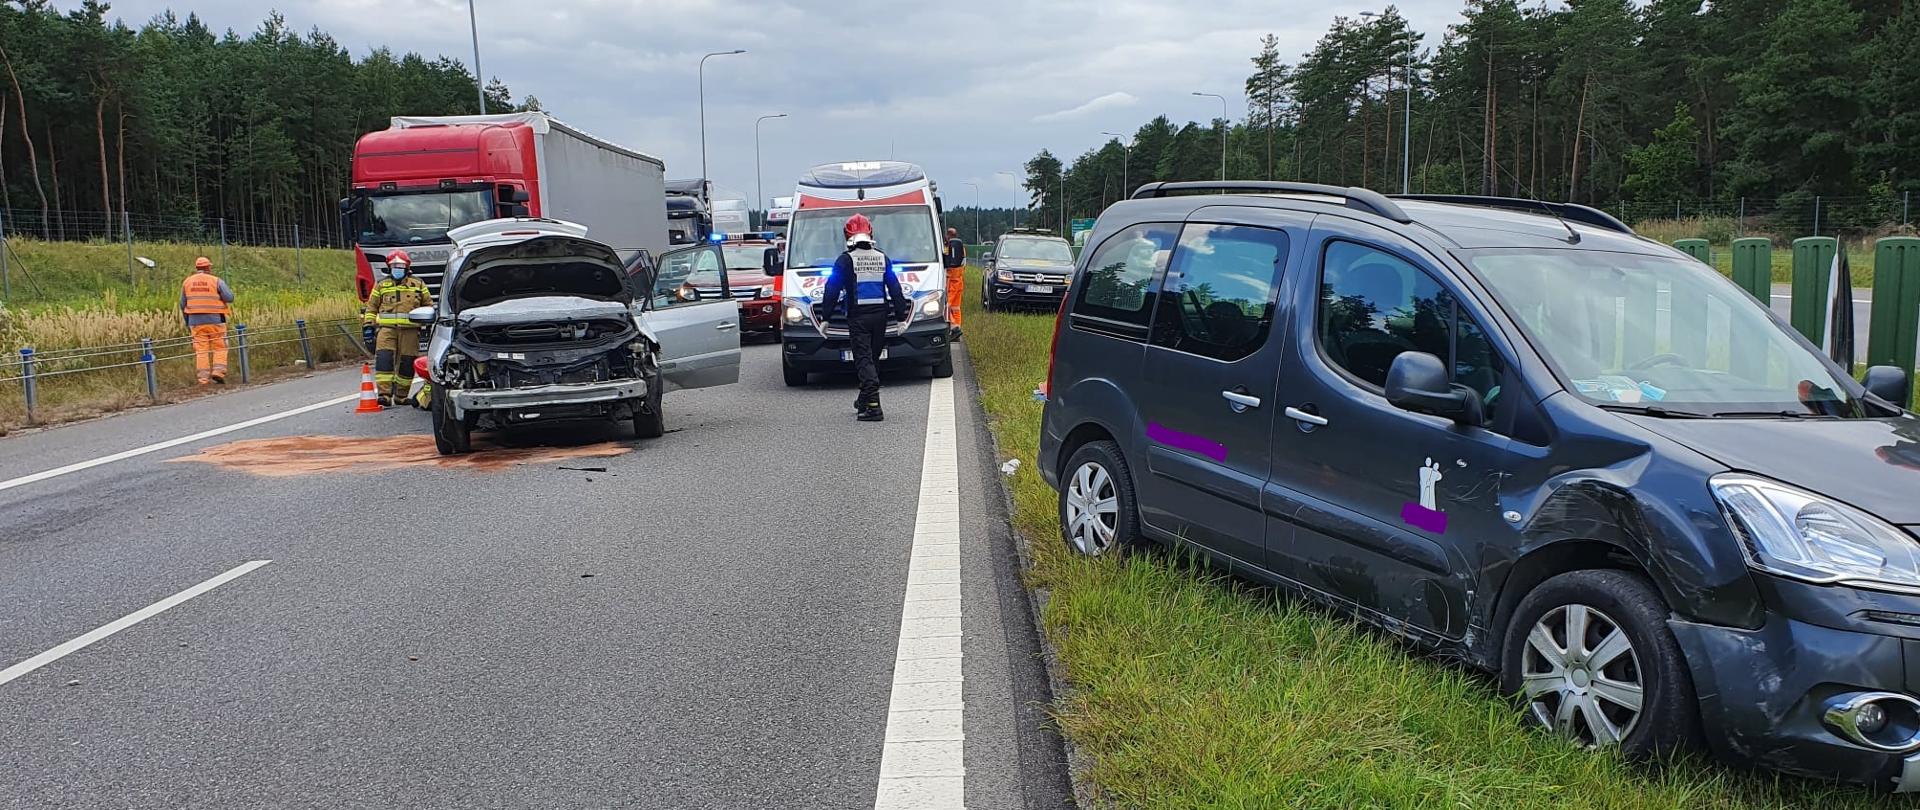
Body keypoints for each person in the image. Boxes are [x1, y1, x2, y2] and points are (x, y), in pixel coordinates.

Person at [819, 214, 909, 422]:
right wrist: (902, 317)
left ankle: (874, 407)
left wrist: (826, 317)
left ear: (847, 235)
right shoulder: (882, 257)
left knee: (863, 359)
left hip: (858, 317)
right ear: (870, 234)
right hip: (881, 316)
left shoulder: (845, 260)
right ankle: (864, 399)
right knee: (872, 359)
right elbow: (895, 288)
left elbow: (831, 289)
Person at [361, 249, 434, 405]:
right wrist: (368, 326)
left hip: (410, 331)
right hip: (386, 330)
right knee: (384, 360)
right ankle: (384, 395)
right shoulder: (381, 285)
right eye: (394, 266)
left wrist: (428, 324)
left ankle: (401, 396)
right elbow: (371, 308)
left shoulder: (418, 284)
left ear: (407, 268)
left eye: (400, 266)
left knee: (407, 363)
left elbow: (428, 305)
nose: (397, 269)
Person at [180, 256, 236, 385]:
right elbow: (229, 297)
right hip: (216, 320)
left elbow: (182, 304)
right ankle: (218, 372)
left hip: (195, 322)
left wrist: (187, 322)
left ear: (197, 267)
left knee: (201, 350)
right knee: (220, 346)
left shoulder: (187, 282)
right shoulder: (216, 281)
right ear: (208, 267)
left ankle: (203, 380)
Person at [942, 227, 966, 340]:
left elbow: (946, 260)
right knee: (956, 308)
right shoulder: (961, 247)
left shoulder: (950, 247)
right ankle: (956, 331)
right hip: (959, 281)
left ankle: (954, 327)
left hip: (951, 280)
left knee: (946, 306)